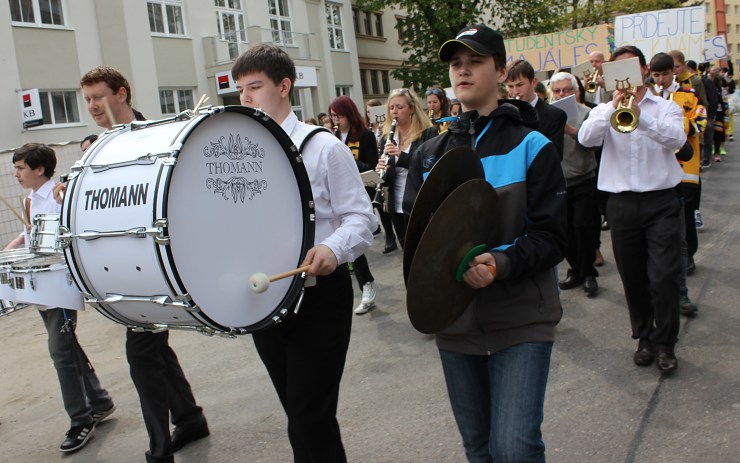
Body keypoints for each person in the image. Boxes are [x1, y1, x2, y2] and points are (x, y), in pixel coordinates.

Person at [405, 24, 566, 462]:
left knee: (514, 448)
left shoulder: (533, 145)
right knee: (478, 449)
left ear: (500, 69)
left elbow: (553, 237)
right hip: (455, 328)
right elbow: (416, 242)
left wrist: (501, 262)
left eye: (475, 61)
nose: (463, 71)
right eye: (456, 63)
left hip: (520, 321)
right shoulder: (429, 154)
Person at [231, 44, 377, 462]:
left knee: (308, 415)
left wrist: (332, 248)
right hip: (265, 299)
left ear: (284, 85)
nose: (246, 97)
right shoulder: (241, 154)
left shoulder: (324, 147)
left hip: (319, 298)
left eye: (254, 87)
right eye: (240, 89)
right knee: (301, 413)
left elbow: (361, 218)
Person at [75, 66, 209, 463]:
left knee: (142, 353)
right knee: (154, 348)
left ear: (122, 93)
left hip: (158, 261)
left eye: (98, 97)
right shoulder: (100, 148)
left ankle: (160, 449)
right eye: (86, 100)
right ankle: (189, 418)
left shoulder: (156, 137)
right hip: (127, 263)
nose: (92, 107)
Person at [579, 46, 686, 374]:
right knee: (634, 277)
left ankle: (665, 342)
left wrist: (641, 119)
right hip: (621, 204)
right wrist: (612, 108)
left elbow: (676, 140)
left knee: (664, 276)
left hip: (662, 201)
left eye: (630, 65)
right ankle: (645, 337)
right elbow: (585, 139)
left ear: (643, 69)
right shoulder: (603, 109)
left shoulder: (665, 107)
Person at [4, 143, 116, 454]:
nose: (16, 174)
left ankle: (80, 420)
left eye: (20, 168)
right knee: (67, 346)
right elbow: (31, 234)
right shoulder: (29, 201)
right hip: (40, 284)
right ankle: (100, 401)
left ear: (39, 169)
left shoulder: (60, 195)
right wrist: (12, 247)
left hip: (61, 285)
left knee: (60, 352)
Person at [651, 52, 701, 317]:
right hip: (656, 173)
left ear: (674, 73)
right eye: (656, 75)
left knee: (679, 237)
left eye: (665, 74)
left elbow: (700, 123)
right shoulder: (647, 97)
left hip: (684, 170)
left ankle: (681, 293)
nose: (660, 79)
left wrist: (669, 120)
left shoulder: (688, 94)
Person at [549, 72, 599, 297]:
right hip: (557, 182)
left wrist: (570, 131)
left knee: (583, 227)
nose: (562, 94)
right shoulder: (546, 114)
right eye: (557, 91)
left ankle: (588, 273)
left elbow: (593, 145)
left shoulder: (587, 113)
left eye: (566, 90)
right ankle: (576, 269)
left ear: (575, 91)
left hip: (583, 179)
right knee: (565, 231)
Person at [328, 95, 379, 314]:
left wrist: (346, 155)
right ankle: (365, 284)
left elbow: (372, 166)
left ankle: (367, 286)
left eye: (338, 116)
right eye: (332, 116)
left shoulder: (365, 135)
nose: (335, 120)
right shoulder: (334, 136)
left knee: (356, 238)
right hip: (340, 194)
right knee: (347, 241)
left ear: (349, 114)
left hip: (363, 192)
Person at [375, 88, 437, 253]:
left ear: (411, 109)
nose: (394, 111)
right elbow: (388, 179)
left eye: (400, 107)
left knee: (425, 250)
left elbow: (430, 167)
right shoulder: (385, 137)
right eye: (391, 107)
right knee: (407, 250)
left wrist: (402, 156)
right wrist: (380, 171)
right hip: (396, 204)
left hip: (419, 200)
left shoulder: (428, 133)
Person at [506, 59, 567, 159]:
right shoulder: (505, 114)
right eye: (510, 86)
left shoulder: (555, 115)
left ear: (534, 82)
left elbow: (555, 156)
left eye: (520, 85)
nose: (515, 92)